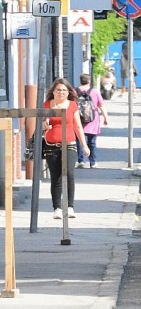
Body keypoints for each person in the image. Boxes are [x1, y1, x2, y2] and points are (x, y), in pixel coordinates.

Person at [42, 78, 89, 219]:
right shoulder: (47, 105)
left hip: (69, 144)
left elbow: (77, 126)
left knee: (68, 173)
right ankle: (57, 208)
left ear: (68, 92)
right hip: (52, 145)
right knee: (55, 177)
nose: (61, 93)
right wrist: (45, 124)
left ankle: (70, 206)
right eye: (58, 90)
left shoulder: (72, 105)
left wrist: (84, 145)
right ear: (53, 92)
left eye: (64, 90)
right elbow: (43, 123)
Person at [75, 73, 109, 169]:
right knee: (92, 142)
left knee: (79, 141)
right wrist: (105, 117)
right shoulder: (94, 91)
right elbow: (101, 105)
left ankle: (81, 160)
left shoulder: (75, 91)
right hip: (93, 120)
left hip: (79, 119)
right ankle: (92, 162)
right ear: (89, 81)